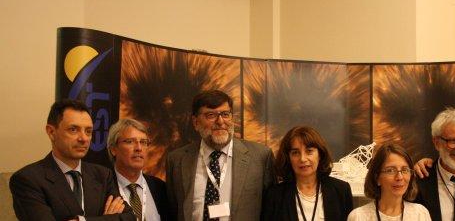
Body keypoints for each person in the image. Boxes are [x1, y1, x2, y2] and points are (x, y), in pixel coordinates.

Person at [10, 99, 134, 220]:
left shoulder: (102, 175)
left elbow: (129, 217)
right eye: (73, 129)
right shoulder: (28, 179)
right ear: (51, 132)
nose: (84, 138)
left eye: (88, 131)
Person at [166, 89, 275, 221]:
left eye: (225, 114)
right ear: (195, 122)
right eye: (211, 115)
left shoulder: (260, 157)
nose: (220, 121)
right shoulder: (177, 160)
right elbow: (172, 210)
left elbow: (272, 210)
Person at [263, 126, 353, 220]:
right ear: (288, 158)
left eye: (309, 151)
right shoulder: (275, 196)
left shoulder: (341, 190)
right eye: (295, 153)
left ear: (320, 155)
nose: (302, 159)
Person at [348, 143, 431, 221]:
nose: (399, 177)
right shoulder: (358, 217)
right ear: (377, 178)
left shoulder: (420, 214)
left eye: (404, 170)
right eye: (390, 170)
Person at [107, 118, 170, 220]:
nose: (139, 148)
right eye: (130, 142)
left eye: (143, 142)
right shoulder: (101, 189)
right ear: (113, 149)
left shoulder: (161, 188)